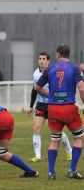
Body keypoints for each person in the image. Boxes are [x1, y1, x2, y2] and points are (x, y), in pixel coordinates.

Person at [35, 44, 84, 180]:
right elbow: (82, 89)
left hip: (53, 109)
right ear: (69, 54)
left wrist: (50, 95)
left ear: (57, 54)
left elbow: (37, 88)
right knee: (79, 137)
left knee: (54, 140)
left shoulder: (50, 69)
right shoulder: (75, 68)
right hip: (69, 108)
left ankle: (51, 172)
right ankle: (72, 170)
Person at [27, 52, 72, 163]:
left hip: (53, 104)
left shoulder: (53, 71)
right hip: (41, 104)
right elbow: (35, 90)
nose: (41, 61)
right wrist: (31, 106)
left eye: (43, 59)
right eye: (39, 58)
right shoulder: (36, 73)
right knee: (36, 128)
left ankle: (68, 149)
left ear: (48, 61)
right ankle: (38, 156)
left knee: (55, 131)